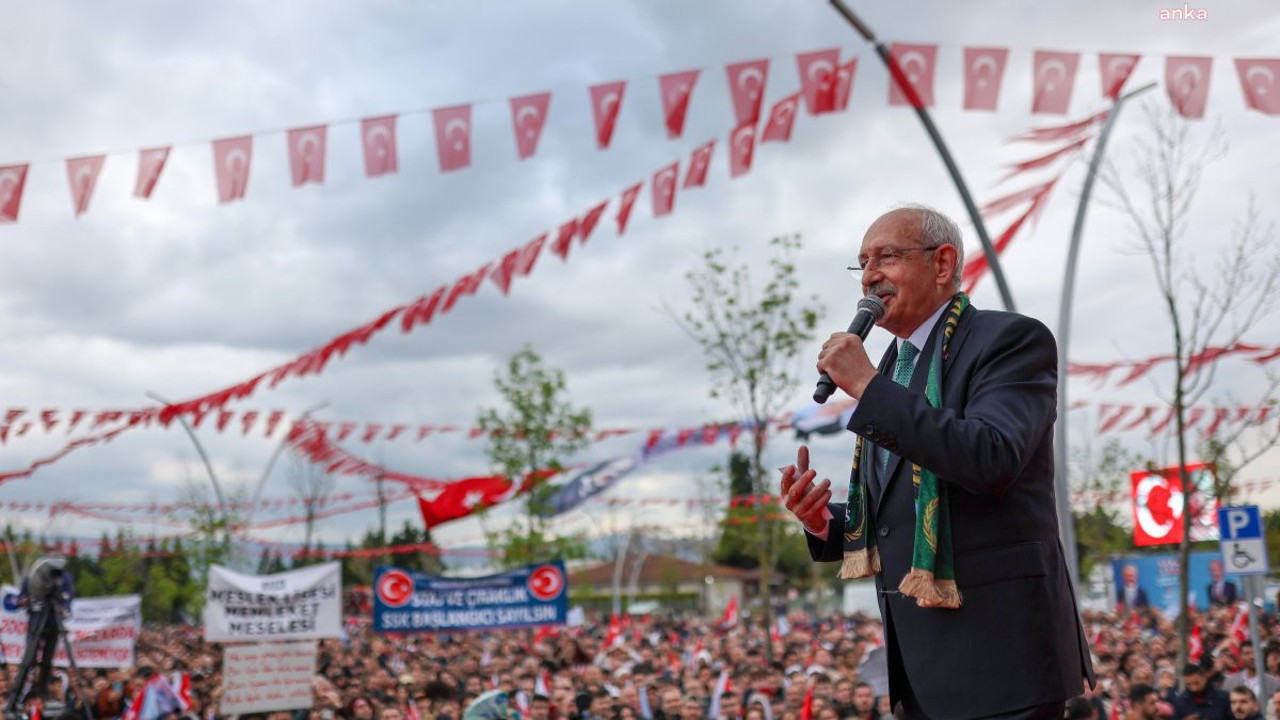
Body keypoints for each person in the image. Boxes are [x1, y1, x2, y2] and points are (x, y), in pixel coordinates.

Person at [779, 205, 1093, 719]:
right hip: (921, 671)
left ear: (943, 263)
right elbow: (901, 506)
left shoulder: (1010, 341)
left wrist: (865, 387)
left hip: (1000, 661)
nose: (870, 276)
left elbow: (990, 457)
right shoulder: (894, 367)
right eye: (862, 263)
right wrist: (824, 521)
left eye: (886, 257)